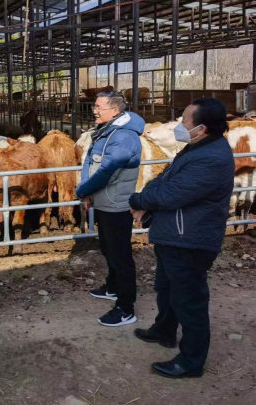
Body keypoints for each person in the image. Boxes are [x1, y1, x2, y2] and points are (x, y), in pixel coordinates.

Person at [129, 98, 234, 379]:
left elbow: (171, 194)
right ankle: (164, 330)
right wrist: (146, 199)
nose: (179, 124)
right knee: (166, 288)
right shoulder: (196, 147)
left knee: (189, 300)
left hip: (190, 240)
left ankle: (191, 361)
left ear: (201, 128)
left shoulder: (212, 158)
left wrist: (138, 200)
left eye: (184, 120)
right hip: (175, 235)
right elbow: (166, 179)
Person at [75, 91, 144, 327]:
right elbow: (89, 161)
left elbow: (108, 172)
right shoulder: (106, 131)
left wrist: (83, 191)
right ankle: (113, 287)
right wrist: (85, 187)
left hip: (116, 205)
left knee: (120, 256)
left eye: (99, 107)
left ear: (115, 111)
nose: (94, 110)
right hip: (103, 201)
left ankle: (126, 308)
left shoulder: (123, 137)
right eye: (94, 106)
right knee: (107, 247)